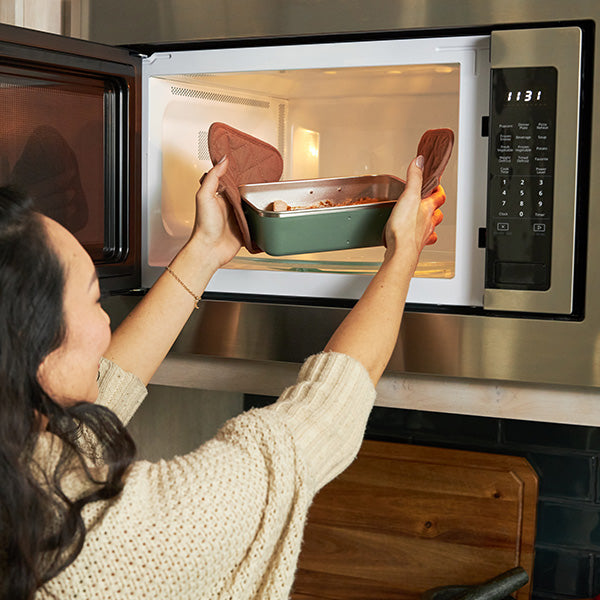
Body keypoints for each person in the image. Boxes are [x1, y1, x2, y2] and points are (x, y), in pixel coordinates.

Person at [0, 154, 445, 600]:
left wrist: (206, 249)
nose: (106, 326)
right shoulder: (106, 541)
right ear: (33, 346)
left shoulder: (18, 470)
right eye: (96, 301)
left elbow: (93, 404)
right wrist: (403, 252)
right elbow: (311, 425)